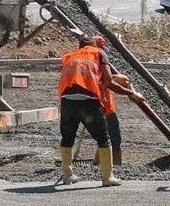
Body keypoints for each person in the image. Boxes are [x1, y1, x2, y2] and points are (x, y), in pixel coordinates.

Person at [57, 35, 120, 187]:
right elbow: (108, 79)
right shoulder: (98, 52)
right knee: (103, 138)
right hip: (88, 101)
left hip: (67, 101)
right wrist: (129, 92)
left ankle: (68, 175)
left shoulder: (69, 56)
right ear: (93, 45)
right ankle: (107, 177)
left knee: (67, 138)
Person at [92, 36, 143, 168]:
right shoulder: (94, 60)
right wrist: (117, 80)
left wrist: (115, 78)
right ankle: (114, 165)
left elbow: (103, 78)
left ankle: (99, 162)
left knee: (106, 136)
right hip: (101, 106)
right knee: (112, 137)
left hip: (106, 105)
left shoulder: (95, 59)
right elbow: (102, 80)